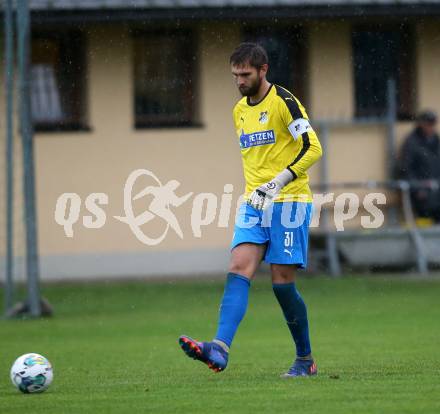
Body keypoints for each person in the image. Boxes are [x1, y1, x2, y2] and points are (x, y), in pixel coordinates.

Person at [178, 43, 322, 378]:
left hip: (289, 201)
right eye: (235, 75)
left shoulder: (285, 102)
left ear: (263, 70)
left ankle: (305, 360)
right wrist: (259, 192)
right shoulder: (239, 111)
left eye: (245, 74)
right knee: (238, 267)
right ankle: (219, 348)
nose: (240, 81)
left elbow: (313, 148)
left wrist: (278, 182)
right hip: (254, 204)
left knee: (281, 282)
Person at [398, 110, 440, 223]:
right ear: (421, 124)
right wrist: (417, 188)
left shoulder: (436, 140)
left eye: (433, 124)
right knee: (424, 224)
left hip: (436, 192)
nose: (431, 127)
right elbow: (406, 169)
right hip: (421, 195)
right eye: (428, 124)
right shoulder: (412, 143)